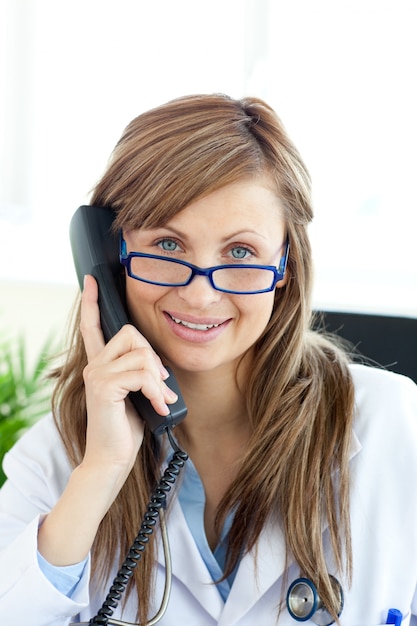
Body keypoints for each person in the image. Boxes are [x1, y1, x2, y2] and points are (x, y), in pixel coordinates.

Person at [0, 93, 416, 626]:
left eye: (240, 253)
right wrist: (101, 472)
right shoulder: (57, 462)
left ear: (285, 264)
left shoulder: (395, 427)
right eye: (169, 247)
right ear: (108, 254)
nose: (200, 297)